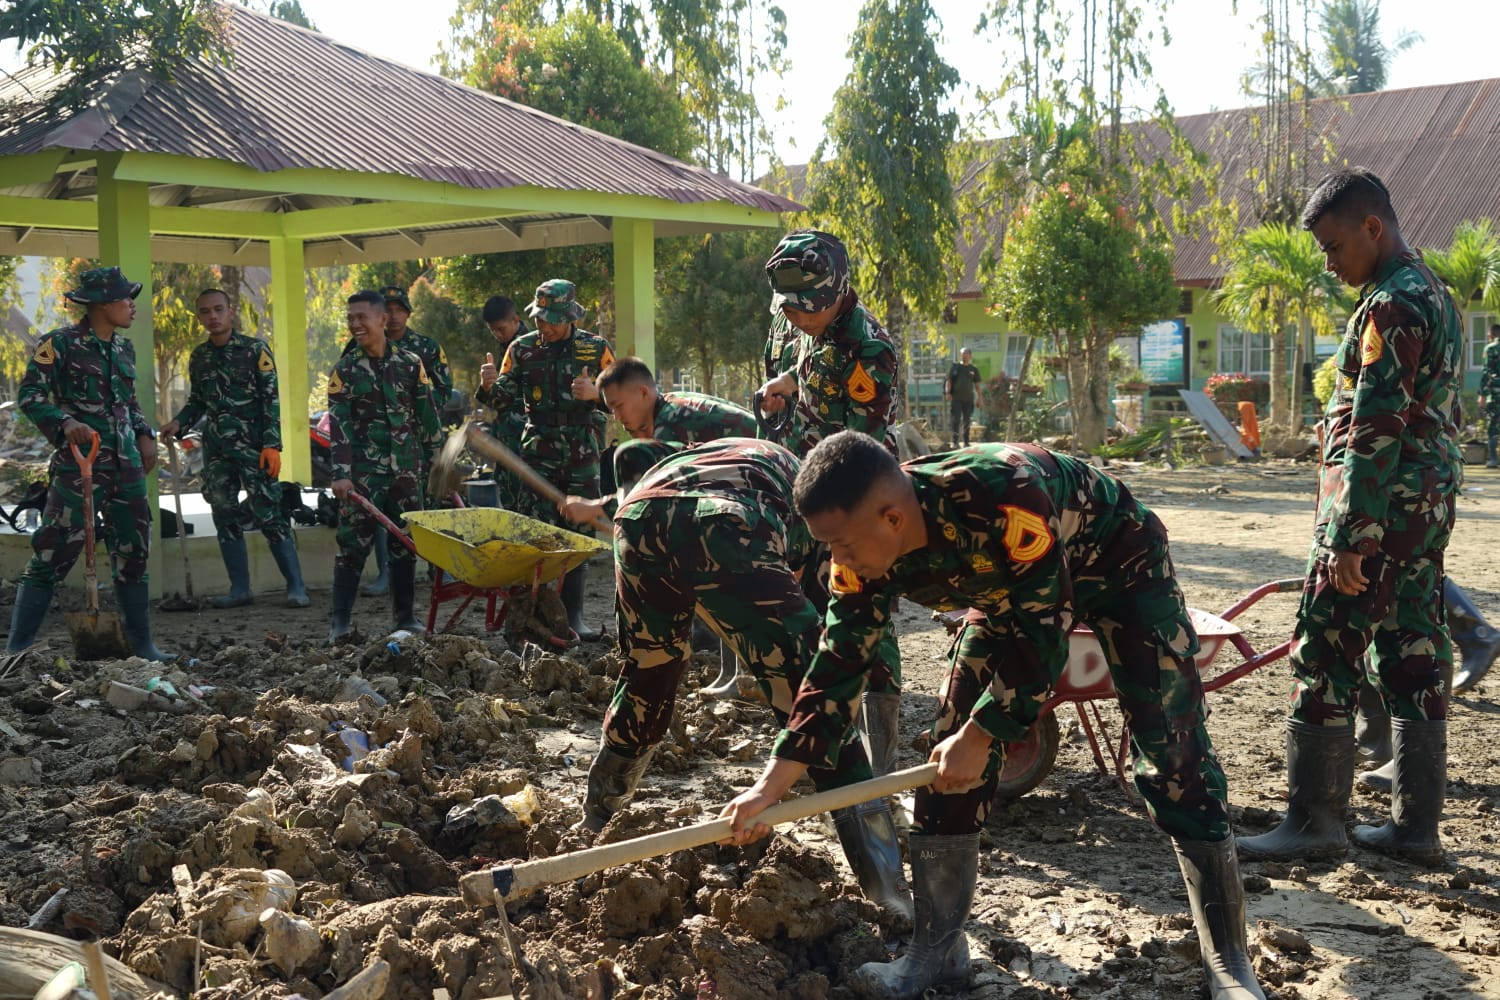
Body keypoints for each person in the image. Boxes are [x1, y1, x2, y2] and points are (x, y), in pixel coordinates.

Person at [722, 431, 1265, 1000]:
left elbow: (1044, 636)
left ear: (891, 519)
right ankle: (936, 952)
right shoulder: (861, 551)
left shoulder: (1003, 498)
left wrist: (983, 734)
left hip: (1120, 565)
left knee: (1172, 753)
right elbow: (837, 666)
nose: (837, 559)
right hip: (1013, 598)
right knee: (946, 757)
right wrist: (771, 787)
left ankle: (1228, 961)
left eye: (841, 544)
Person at [582, 435, 912, 924]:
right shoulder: (823, 517)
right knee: (816, 703)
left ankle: (596, 821)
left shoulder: (737, 457)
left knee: (647, 680)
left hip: (636, 518)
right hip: (727, 521)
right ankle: (888, 891)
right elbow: (842, 641)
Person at [1236, 168, 1463, 868]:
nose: (1330, 265)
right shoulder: (1435, 293)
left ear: (1373, 227)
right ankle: (1415, 829)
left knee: (1326, 646)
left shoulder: (1391, 306)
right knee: (1415, 649)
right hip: (1424, 506)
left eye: (1335, 247)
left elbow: (1373, 429)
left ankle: (1313, 821)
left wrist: (1347, 536)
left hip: (1381, 508)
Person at [756, 230, 905, 775]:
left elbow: (860, 448)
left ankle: (882, 765)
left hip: (857, 504)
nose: (796, 319)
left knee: (868, 619)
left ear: (839, 288)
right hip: (805, 495)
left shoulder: (869, 347)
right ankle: (822, 750)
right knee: (808, 614)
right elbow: (802, 380)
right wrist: (783, 389)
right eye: (789, 310)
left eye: (807, 309)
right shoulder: (799, 322)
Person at [7, 267, 171, 661]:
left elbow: (127, 403)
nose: (132, 305)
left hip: (126, 467)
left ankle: (143, 646)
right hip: (79, 467)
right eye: (124, 298)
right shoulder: (59, 345)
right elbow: (31, 396)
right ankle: (17, 646)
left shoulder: (122, 349)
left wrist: (145, 434)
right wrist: (65, 423)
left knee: (133, 551)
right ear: (100, 305)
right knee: (53, 550)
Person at [474, 278, 614, 641]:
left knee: (577, 537)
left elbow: (621, 398)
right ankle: (532, 617)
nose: (544, 326)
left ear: (570, 316)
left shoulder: (595, 348)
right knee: (534, 533)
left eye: (552, 319)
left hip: (582, 449)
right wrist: (489, 386)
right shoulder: (521, 350)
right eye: (539, 318)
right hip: (538, 447)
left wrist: (595, 394)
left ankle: (574, 618)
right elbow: (500, 401)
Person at [161, 289, 308, 610]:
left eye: (218, 310)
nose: (212, 317)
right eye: (205, 312)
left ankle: (296, 586)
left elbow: (271, 400)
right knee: (224, 515)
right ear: (199, 317)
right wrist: (179, 423)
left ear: (231, 312)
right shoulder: (200, 357)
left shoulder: (255, 351)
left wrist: (272, 445)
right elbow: (198, 401)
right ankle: (239, 588)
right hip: (217, 452)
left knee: (269, 515)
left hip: (254, 448)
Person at [326, 290, 444, 644]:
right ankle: (340, 625)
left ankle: (405, 618)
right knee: (352, 546)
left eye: (361, 317)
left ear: (382, 319)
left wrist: (438, 466)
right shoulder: (344, 371)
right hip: (363, 476)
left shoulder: (410, 364)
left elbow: (427, 420)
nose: (355, 325)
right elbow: (339, 427)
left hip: (407, 472)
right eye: (350, 319)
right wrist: (341, 474)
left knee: (404, 544)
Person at [556, 356, 757, 526]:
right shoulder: (670, 406)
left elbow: (649, 494)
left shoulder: (672, 422)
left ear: (643, 393)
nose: (616, 417)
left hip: (763, 478)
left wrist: (595, 508)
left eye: (619, 406)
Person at [355, 284, 453, 598]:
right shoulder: (357, 349)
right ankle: (388, 575)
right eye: (389, 309)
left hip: (419, 442)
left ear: (408, 313)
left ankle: (444, 570)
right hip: (380, 447)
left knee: (434, 505)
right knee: (387, 510)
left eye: (400, 309)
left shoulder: (425, 347)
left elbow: (443, 390)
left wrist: (412, 407)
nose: (395, 316)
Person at [476, 295, 529, 510]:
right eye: (493, 330)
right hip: (507, 439)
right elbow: (497, 399)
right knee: (510, 503)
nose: (497, 335)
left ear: (516, 320)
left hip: (527, 443)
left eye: (501, 329)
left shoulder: (532, 347)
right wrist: (486, 387)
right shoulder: (504, 347)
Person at [944, 348, 983, 448]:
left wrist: (979, 399)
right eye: (962, 353)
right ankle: (955, 441)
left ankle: (966, 441)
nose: (964, 355)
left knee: (967, 420)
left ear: (970, 355)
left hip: (969, 399)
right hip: (956, 399)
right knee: (955, 419)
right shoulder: (955, 367)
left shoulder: (973, 369)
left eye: (966, 353)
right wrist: (947, 392)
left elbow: (977, 385)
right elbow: (949, 381)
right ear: (960, 355)